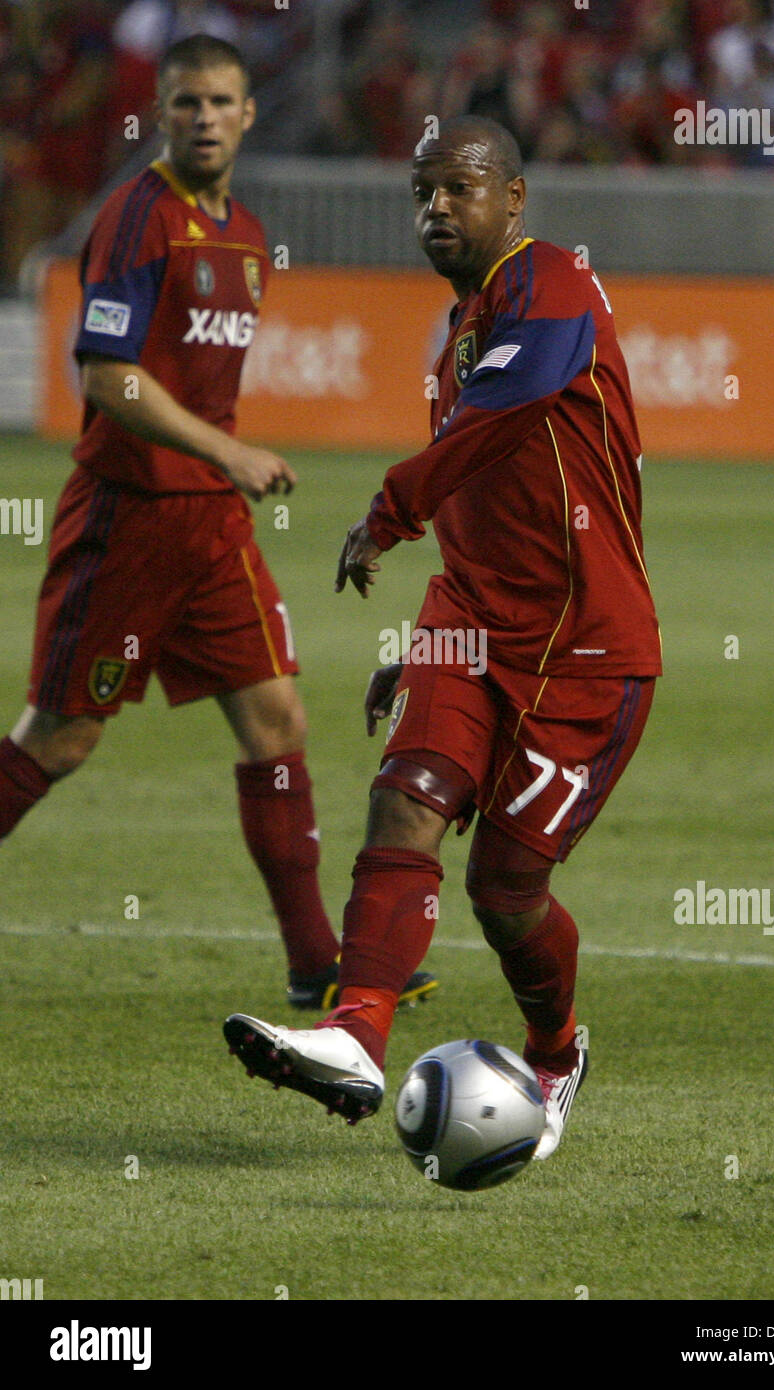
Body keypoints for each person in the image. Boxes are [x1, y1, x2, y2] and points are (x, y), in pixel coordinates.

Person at [224, 115, 661, 1158]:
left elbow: (510, 404)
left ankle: (553, 1053)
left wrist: (388, 507)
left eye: (459, 188)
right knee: (401, 801)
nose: (435, 208)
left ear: (511, 199)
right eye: (421, 192)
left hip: (585, 650)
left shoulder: (550, 281)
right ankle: (356, 1036)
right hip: (468, 625)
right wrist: (414, 651)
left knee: (504, 890)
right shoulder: (453, 336)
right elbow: (483, 491)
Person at [0, 32, 436, 1014]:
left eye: (221, 103)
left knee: (277, 718)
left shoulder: (244, 233)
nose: (204, 118)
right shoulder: (135, 219)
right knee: (60, 742)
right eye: (187, 102)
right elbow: (107, 377)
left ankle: (314, 956)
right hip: (128, 520)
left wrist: (218, 468)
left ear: (247, 114)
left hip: (212, 534)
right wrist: (227, 451)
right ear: (164, 113)